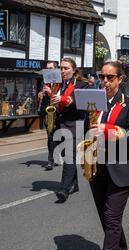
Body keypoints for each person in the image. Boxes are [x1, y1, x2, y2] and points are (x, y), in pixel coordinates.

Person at [86, 61, 129, 250]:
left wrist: (111, 131)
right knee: (106, 217)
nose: (105, 82)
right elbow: (86, 128)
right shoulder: (93, 102)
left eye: (110, 78)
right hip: (96, 165)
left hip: (121, 168)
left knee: (111, 218)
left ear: (120, 80)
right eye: (102, 77)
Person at [50, 57, 88, 203]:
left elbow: (80, 101)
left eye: (66, 68)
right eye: (61, 68)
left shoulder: (81, 84)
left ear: (73, 69)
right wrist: (48, 94)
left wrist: (63, 100)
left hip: (76, 124)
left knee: (69, 157)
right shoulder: (59, 85)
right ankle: (74, 184)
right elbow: (56, 102)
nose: (63, 71)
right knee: (68, 155)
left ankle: (64, 189)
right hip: (62, 123)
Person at [38, 61, 60, 170]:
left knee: (59, 137)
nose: (48, 71)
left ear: (56, 69)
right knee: (50, 136)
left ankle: (57, 156)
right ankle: (50, 160)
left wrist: (51, 91)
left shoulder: (61, 82)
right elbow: (42, 95)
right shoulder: (44, 81)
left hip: (59, 113)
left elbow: (62, 97)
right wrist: (40, 94)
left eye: (50, 68)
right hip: (48, 112)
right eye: (47, 68)